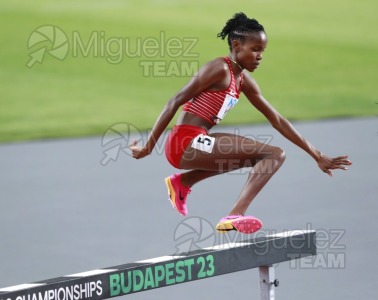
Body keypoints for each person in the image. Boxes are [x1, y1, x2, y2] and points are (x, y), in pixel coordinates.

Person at [129, 12, 352, 234]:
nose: (260, 56)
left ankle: (183, 182)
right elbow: (174, 101)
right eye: (255, 49)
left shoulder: (244, 81)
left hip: (198, 140)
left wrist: (316, 154)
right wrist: (149, 147)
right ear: (236, 45)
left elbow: (277, 120)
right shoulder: (219, 68)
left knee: (257, 157)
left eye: (262, 51)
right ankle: (235, 214)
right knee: (274, 154)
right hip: (185, 142)